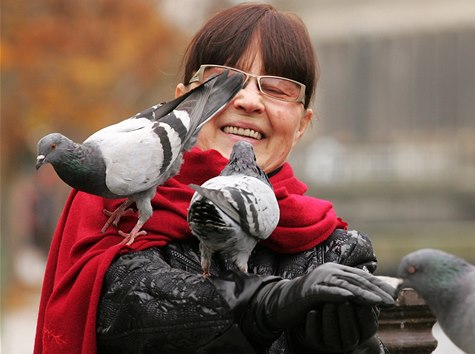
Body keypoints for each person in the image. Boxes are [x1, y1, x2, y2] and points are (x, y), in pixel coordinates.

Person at [35, 3, 395, 353]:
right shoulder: (117, 199)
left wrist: (349, 344)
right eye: (225, 80)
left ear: (302, 124)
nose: (249, 100)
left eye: (278, 87)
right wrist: (266, 303)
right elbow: (129, 304)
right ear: (186, 101)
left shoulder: (333, 248)